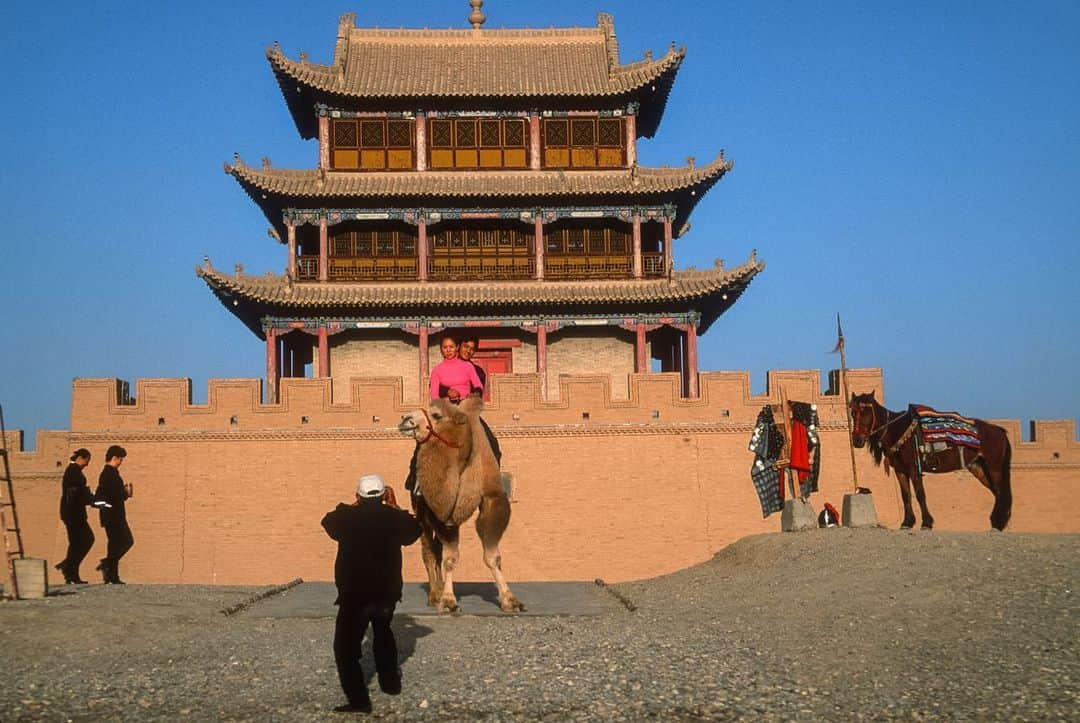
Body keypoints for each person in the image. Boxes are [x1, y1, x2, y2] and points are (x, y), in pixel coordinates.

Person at [322, 474, 421, 714]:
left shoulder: (346, 518)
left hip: (354, 595)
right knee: (383, 634)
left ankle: (359, 701)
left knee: (345, 650)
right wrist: (394, 506)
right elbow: (414, 530)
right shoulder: (395, 519)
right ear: (384, 495)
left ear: (358, 495)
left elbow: (328, 521)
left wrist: (355, 504)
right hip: (386, 594)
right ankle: (390, 684)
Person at [457, 335, 502, 463]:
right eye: (466, 347)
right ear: (459, 347)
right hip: (447, 411)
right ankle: (413, 481)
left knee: (493, 446)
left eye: (472, 349)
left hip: (468, 414)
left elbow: (478, 392)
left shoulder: (478, 372)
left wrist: (474, 396)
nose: (468, 351)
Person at [94, 445, 134, 584]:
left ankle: (111, 573)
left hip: (114, 515)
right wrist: (125, 494)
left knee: (116, 544)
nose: (121, 462)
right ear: (114, 458)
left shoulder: (111, 473)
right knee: (124, 541)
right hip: (113, 515)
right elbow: (105, 496)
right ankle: (110, 570)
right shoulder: (108, 474)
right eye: (120, 459)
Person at [55, 448, 95, 584]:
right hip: (73, 514)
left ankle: (69, 568)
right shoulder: (73, 472)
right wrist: (91, 498)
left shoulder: (73, 471)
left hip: (73, 513)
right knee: (83, 541)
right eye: (87, 461)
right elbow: (77, 493)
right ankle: (69, 571)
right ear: (81, 458)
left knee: (79, 542)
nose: (87, 464)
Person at [429, 335, 482, 402]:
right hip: (446, 406)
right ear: (441, 350)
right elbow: (434, 396)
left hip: (466, 405)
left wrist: (474, 395)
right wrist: (447, 392)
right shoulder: (436, 370)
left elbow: (478, 385)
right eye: (445, 347)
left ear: (457, 347)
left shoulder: (468, 366)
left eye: (451, 347)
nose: (448, 350)